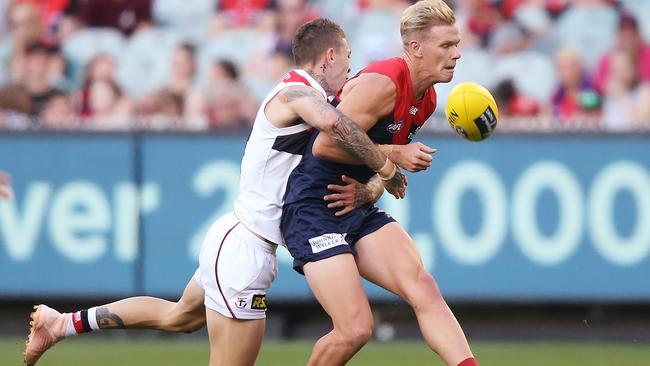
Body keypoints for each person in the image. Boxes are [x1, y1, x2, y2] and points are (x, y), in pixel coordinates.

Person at [23, 18, 407, 366]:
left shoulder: (308, 95)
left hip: (236, 237)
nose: (350, 68)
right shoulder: (295, 93)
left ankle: (61, 324)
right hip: (244, 253)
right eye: (347, 58)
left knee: (178, 316)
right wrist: (385, 165)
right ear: (328, 56)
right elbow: (336, 126)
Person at [280, 1, 477, 366]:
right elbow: (325, 144)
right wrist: (395, 157)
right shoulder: (383, 83)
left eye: (457, 44)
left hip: (353, 205)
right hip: (311, 208)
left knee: (424, 288)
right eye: (446, 45)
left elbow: (376, 168)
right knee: (354, 329)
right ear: (415, 48)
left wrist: (371, 187)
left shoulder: (427, 98)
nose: (457, 54)